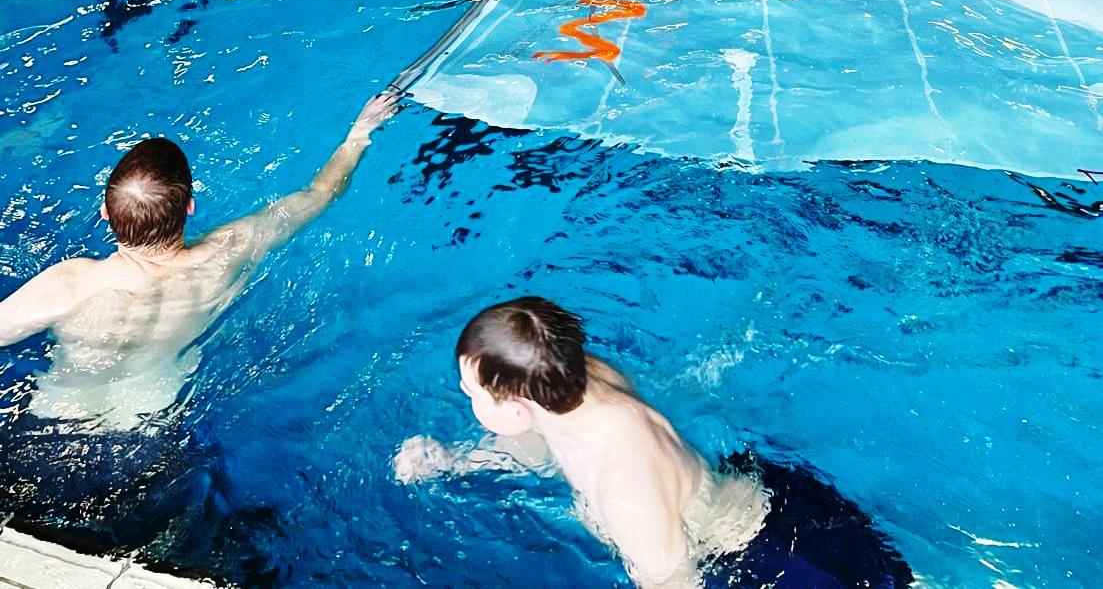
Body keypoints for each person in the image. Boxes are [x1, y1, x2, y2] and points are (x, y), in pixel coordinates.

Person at [394, 297, 912, 589]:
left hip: (768, 559)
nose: (465, 394)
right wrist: (458, 461)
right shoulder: (582, 381)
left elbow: (673, 581)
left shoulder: (624, 487)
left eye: (471, 391)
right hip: (766, 493)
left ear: (515, 409)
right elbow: (541, 443)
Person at [0, 90, 398, 429]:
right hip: (149, 423)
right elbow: (319, 195)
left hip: (58, 416)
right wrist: (359, 133)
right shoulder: (228, 253)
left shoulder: (71, 282)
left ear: (105, 212)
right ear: (189, 206)